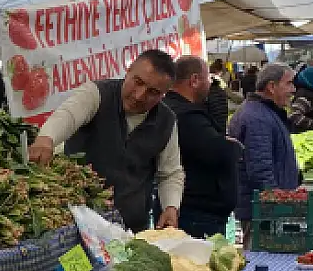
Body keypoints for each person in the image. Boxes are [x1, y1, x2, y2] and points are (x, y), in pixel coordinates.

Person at [28, 51, 184, 231]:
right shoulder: (96, 94)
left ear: (164, 94)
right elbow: (68, 115)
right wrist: (46, 139)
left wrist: (171, 207)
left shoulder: (167, 121)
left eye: (153, 92)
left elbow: (170, 172)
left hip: (131, 228)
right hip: (76, 225)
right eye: (138, 82)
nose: (140, 95)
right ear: (128, 70)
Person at [163, 56, 237, 240]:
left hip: (195, 210)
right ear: (194, 80)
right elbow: (217, 151)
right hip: (196, 213)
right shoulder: (186, 115)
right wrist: (233, 147)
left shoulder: (174, 109)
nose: (210, 85)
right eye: (208, 79)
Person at [229, 63, 300, 243]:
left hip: (266, 209)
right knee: (263, 259)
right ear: (271, 86)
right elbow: (260, 169)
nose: (293, 89)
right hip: (262, 213)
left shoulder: (265, 113)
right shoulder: (257, 118)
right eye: (289, 83)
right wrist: (276, 202)